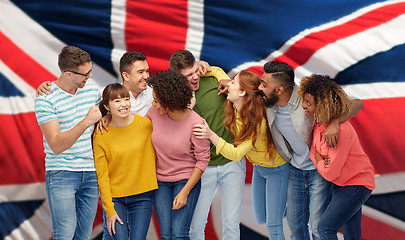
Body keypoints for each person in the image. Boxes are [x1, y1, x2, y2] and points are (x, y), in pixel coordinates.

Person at [258, 62, 363, 240]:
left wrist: (334, 122)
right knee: (295, 226)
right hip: (294, 169)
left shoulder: (308, 97)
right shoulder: (267, 102)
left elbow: (356, 103)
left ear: (279, 89)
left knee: (317, 225)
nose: (260, 87)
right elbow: (241, 86)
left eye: (264, 84)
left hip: (318, 171)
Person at [193, 70, 289, 239]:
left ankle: (296, 207)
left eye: (232, 83)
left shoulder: (257, 120)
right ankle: (290, 205)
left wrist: (211, 135)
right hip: (259, 169)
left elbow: (237, 154)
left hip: (277, 169)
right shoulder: (234, 108)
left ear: (243, 92)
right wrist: (203, 66)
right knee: (260, 216)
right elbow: (216, 71)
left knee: (273, 224)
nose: (226, 84)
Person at [169, 50, 246, 240]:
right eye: (188, 75)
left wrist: (220, 75)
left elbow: (233, 88)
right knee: (196, 227)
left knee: (231, 224)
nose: (195, 76)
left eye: (195, 70)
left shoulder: (213, 79)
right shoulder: (174, 97)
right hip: (202, 168)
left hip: (232, 163)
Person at [34, 46, 102, 239]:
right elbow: (56, 145)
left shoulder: (91, 91)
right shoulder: (46, 99)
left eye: (90, 71)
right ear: (67, 73)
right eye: (85, 74)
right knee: (65, 233)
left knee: (83, 235)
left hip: (90, 172)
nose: (89, 77)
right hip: (62, 172)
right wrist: (86, 121)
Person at [298, 74, 375, 240]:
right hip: (340, 183)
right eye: (304, 101)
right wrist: (320, 159)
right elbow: (312, 151)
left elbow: (329, 172)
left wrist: (319, 159)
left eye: (309, 103)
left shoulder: (340, 132)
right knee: (351, 234)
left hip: (356, 184)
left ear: (323, 106)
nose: (304, 106)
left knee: (325, 228)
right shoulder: (319, 124)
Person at [146, 70, 210, 240]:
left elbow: (203, 160)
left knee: (179, 234)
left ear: (170, 100)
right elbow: (135, 129)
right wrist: (108, 117)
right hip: (161, 182)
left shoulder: (196, 124)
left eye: (157, 100)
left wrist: (185, 192)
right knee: (166, 235)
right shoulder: (154, 114)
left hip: (185, 180)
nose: (153, 104)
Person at [92, 83, 158, 239]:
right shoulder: (100, 134)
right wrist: (109, 210)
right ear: (107, 106)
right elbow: (102, 176)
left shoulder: (145, 125)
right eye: (117, 101)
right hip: (115, 199)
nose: (124, 104)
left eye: (126, 99)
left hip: (143, 195)